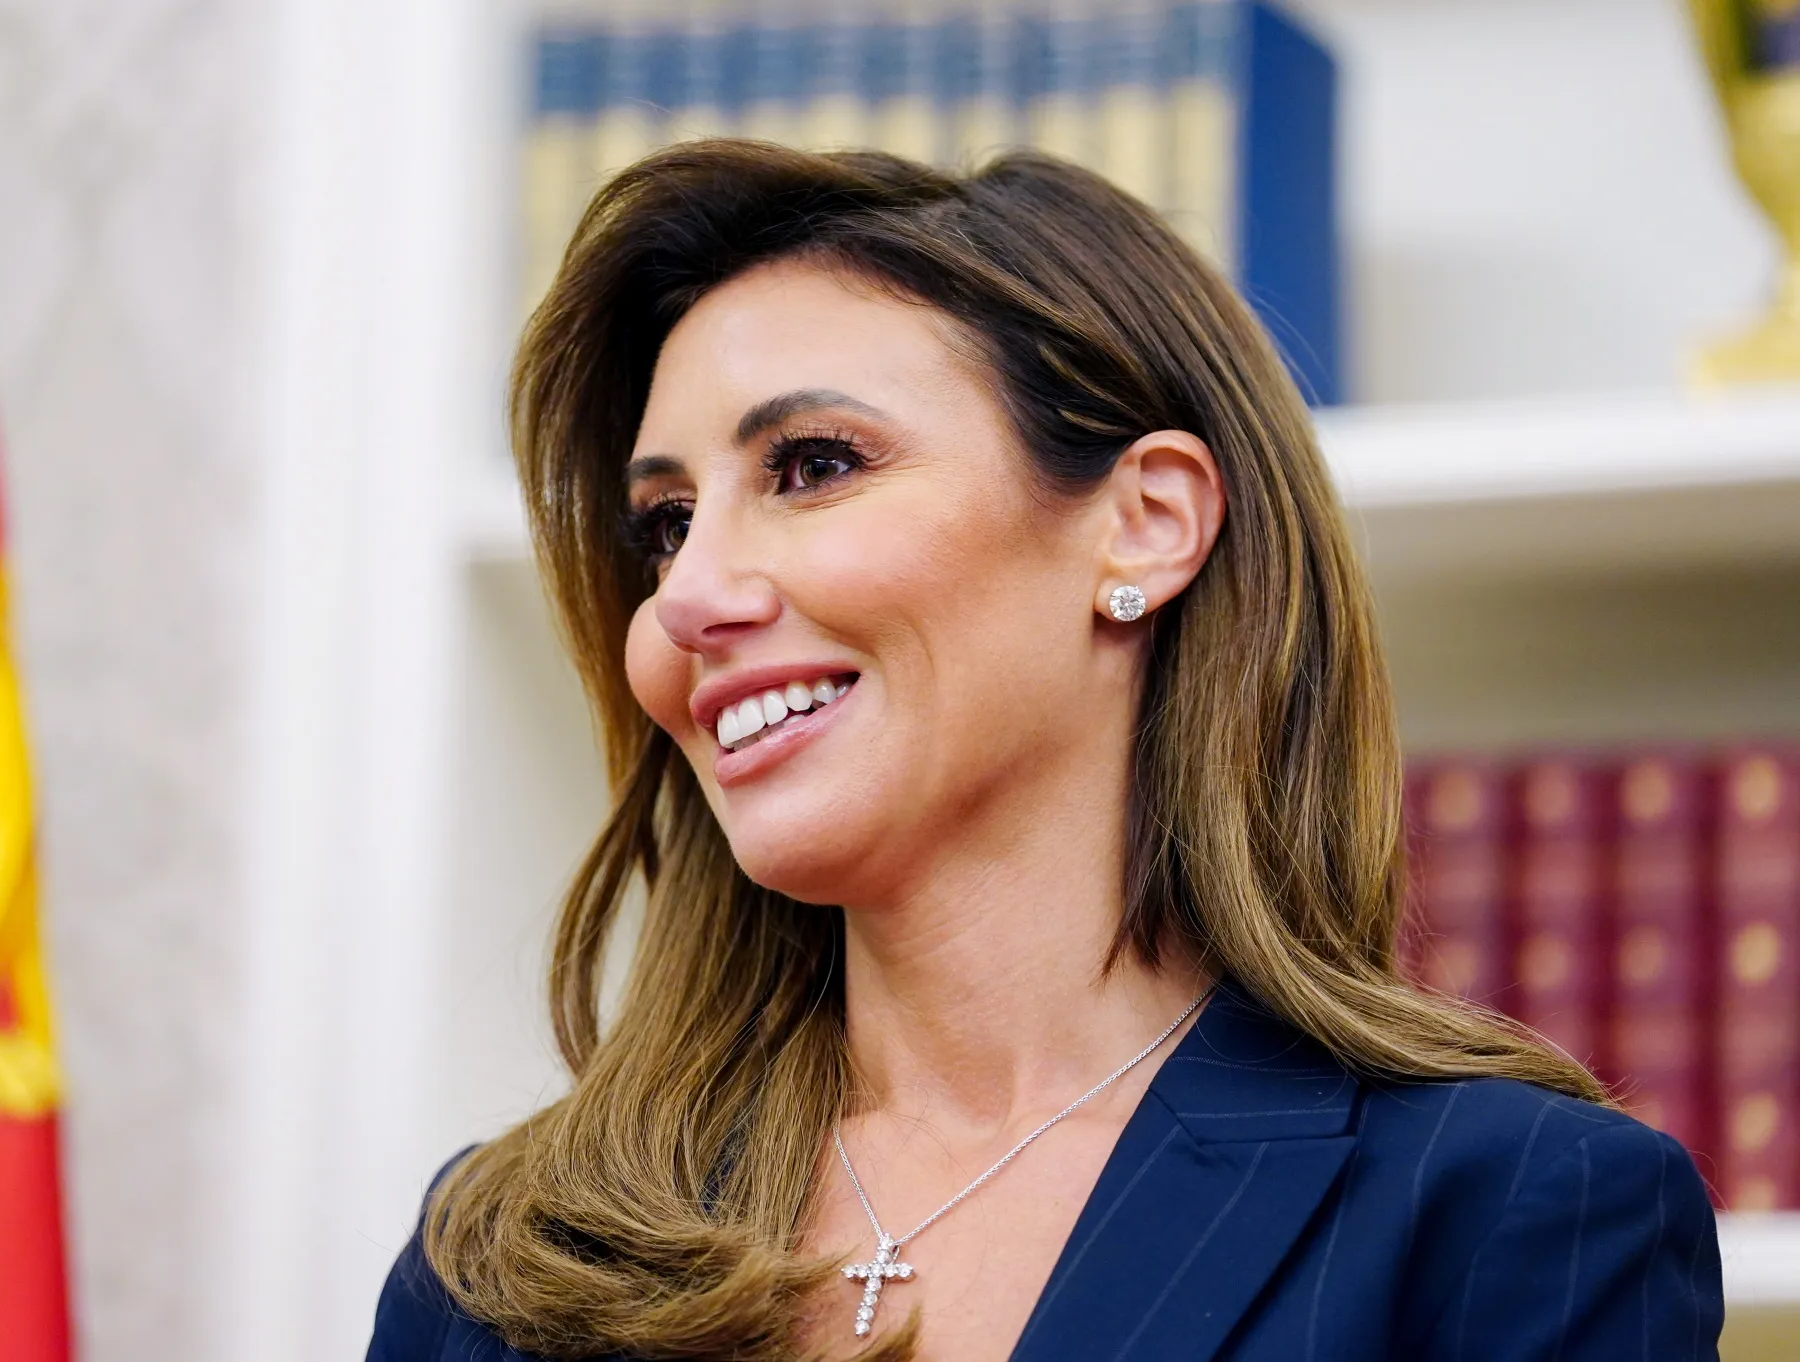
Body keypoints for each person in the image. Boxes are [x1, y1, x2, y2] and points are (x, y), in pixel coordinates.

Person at [367, 141, 1722, 1362]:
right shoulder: (504, 1261)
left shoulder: (1510, 1217)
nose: (686, 599)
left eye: (813, 464)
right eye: (664, 526)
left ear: (1146, 523)